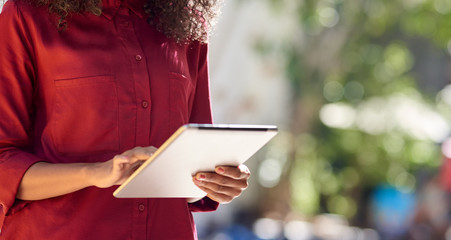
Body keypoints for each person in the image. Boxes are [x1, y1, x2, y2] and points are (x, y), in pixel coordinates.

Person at [0, 0, 251, 239]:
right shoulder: (26, 15)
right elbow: (4, 162)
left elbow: (196, 158)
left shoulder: (186, 24)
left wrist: (218, 181)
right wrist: (94, 173)